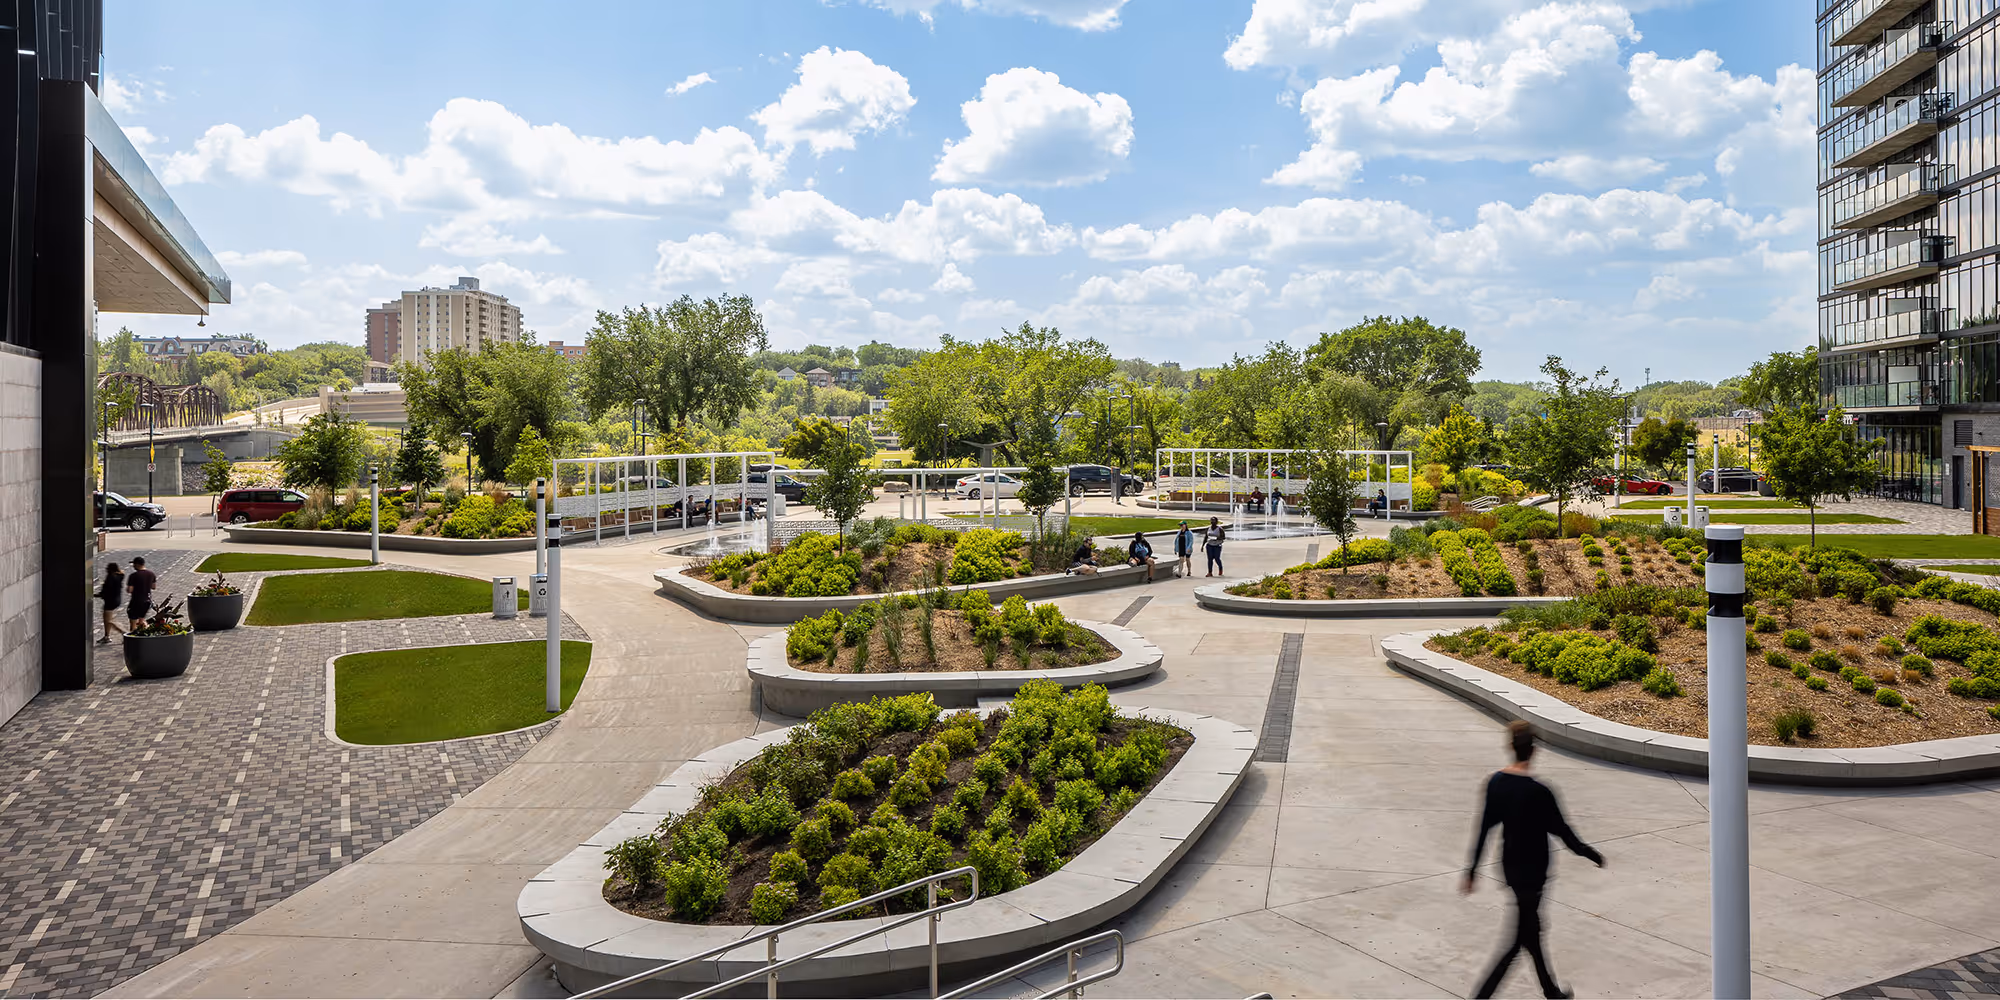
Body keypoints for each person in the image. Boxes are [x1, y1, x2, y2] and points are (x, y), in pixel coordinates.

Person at [1462, 721, 1604, 1000]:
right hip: (1534, 874)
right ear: (1533, 751)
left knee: (1531, 932)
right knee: (1519, 940)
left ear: (1511, 747)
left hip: (1511, 870)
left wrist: (1473, 869)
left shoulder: (1495, 784)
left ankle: (1551, 991)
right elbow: (1565, 834)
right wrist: (1591, 853)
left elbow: (1484, 829)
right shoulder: (1540, 792)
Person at [125, 556, 157, 630]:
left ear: (137, 564)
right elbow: (153, 587)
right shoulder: (151, 574)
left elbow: (130, 590)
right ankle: (146, 633)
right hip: (147, 601)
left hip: (136, 601)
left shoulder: (133, 576)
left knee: (133, 621)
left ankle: (133, 637)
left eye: (134, 564)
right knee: (141, 620)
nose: (133, 566)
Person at [98, 562, 125, 644]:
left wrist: (99, 595)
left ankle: (123, 632)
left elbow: (106, 590)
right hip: (117, 599)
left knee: (108, 620)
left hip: (110, 601)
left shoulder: (110, 577)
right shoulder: (119, 576)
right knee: (108, 620)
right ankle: (106, 636)